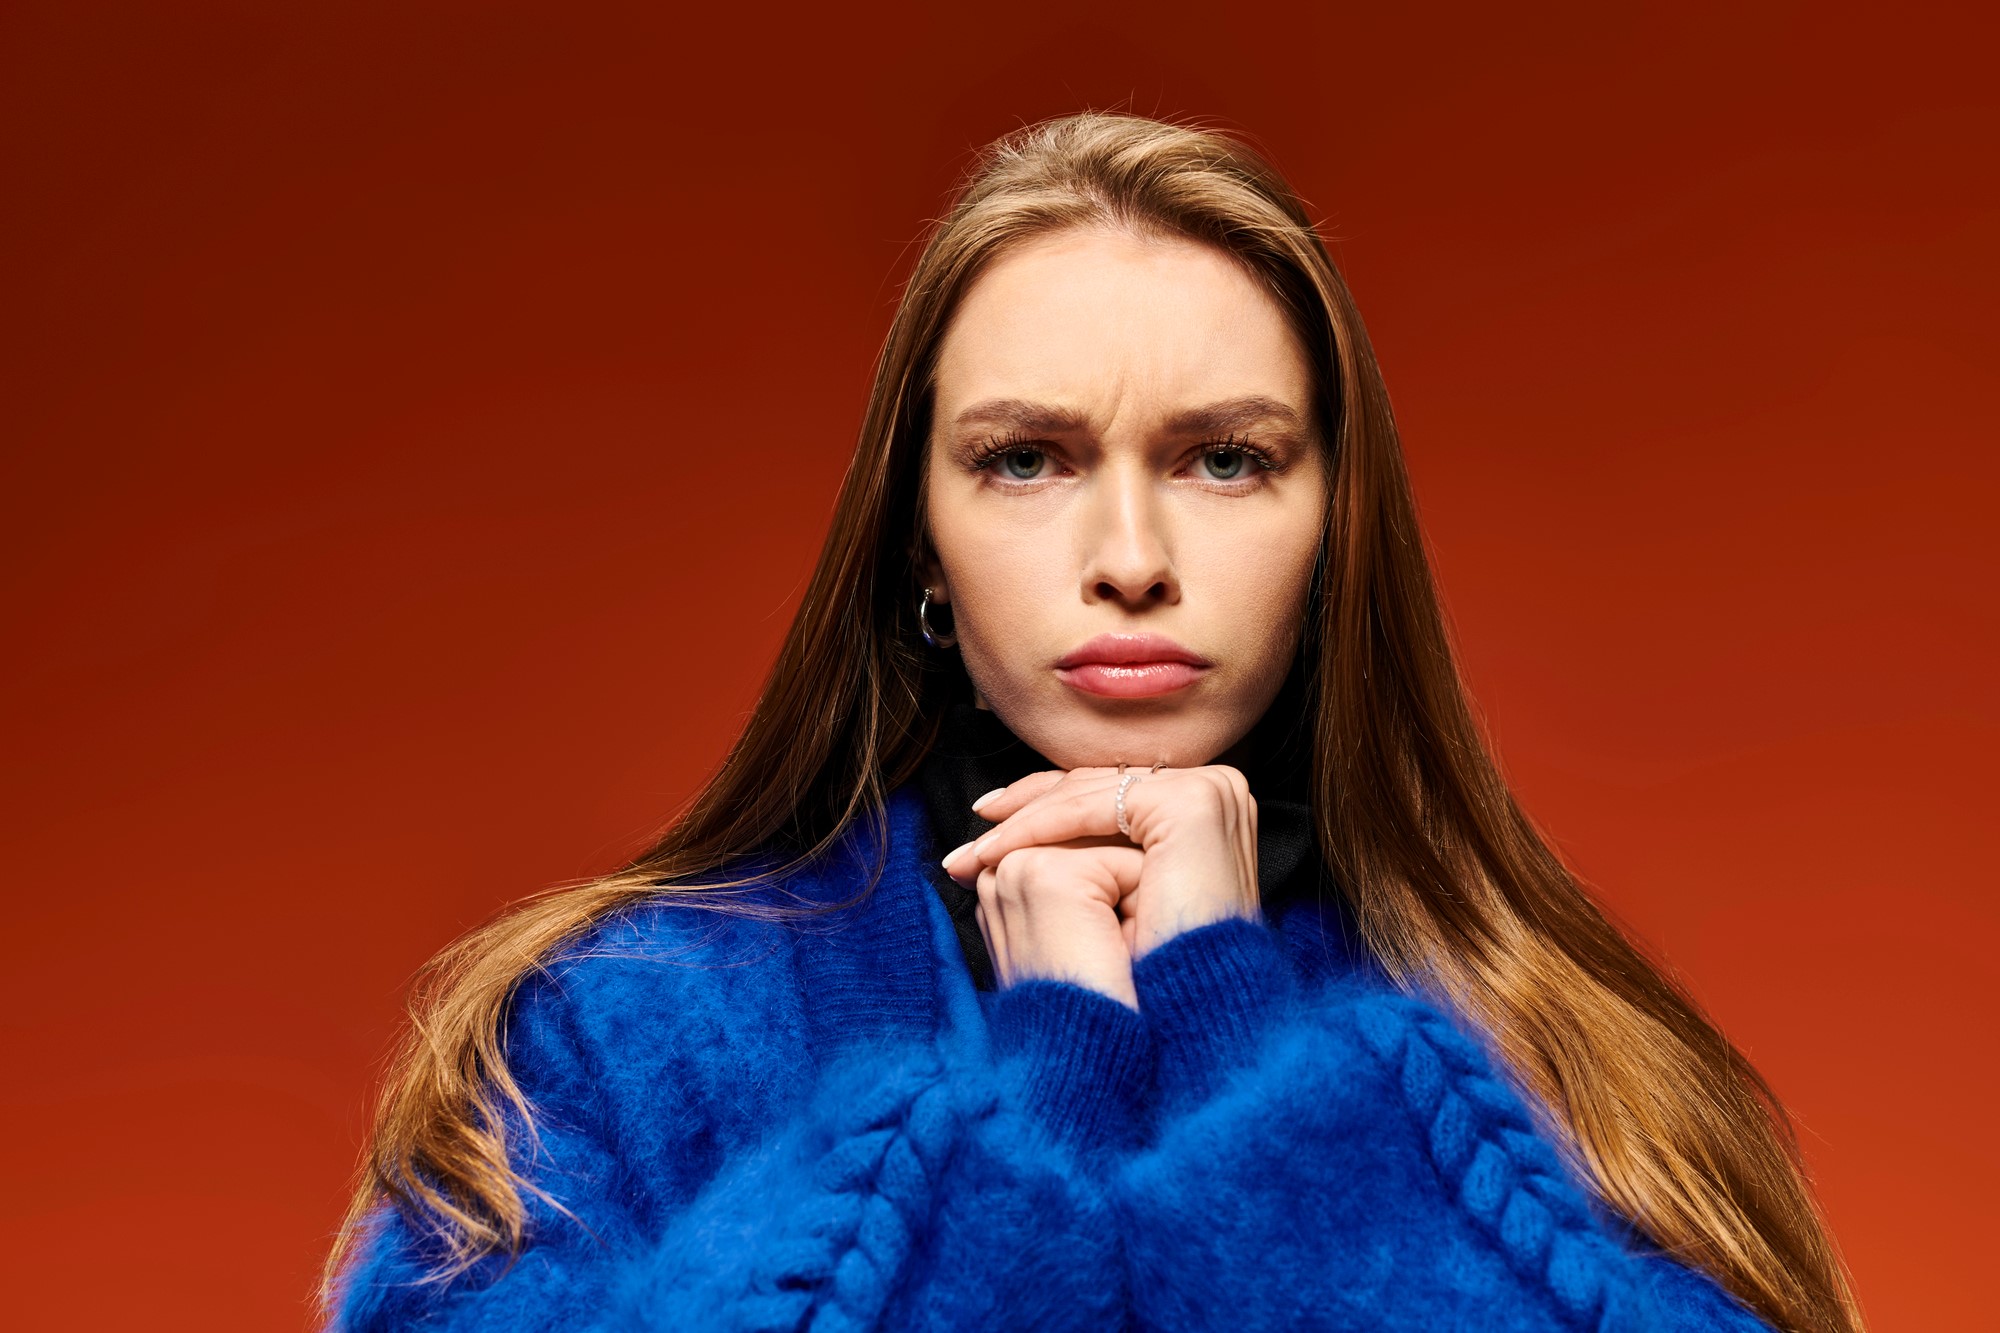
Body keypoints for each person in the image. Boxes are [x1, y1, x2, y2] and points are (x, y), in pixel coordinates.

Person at [318, 111, 1863, 1332]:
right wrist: (1037, 1081)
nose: (1130, 556)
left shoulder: (1570, 1050)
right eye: (1025, 459)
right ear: (915, 537)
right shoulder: (621, 1032)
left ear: (1340, 534)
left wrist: (1229, 1024)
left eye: (1227, 459)